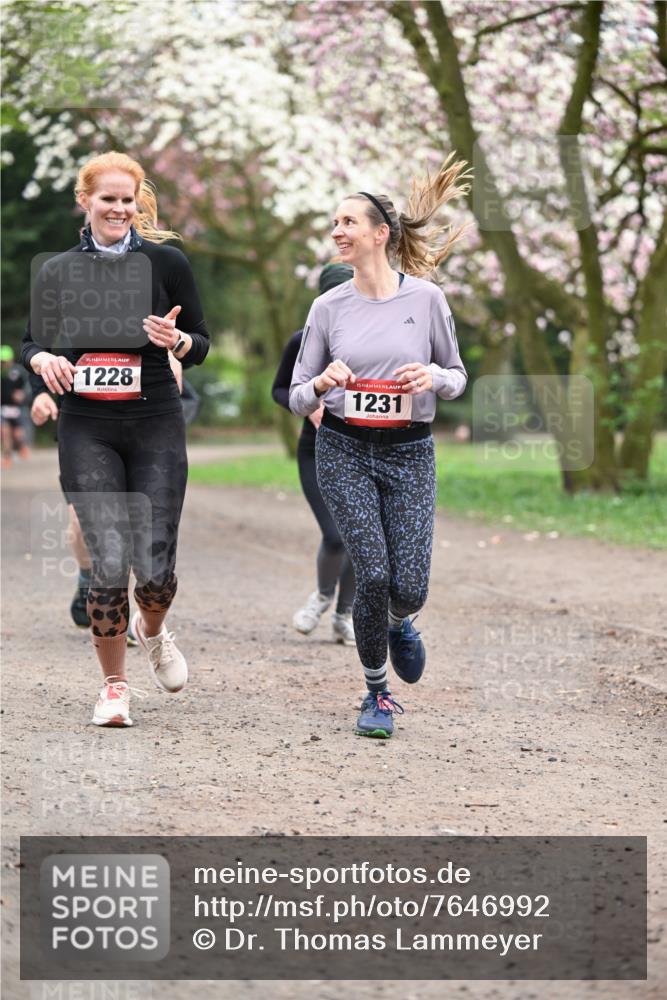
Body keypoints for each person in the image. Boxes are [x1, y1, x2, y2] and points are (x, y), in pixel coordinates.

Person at [21, 150, 209, 727]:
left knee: (155, 572)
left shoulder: (166, 262)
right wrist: (45, 360)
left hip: (155, 421)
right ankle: (113, 687)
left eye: (128, 199)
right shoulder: (58, 270)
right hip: (87, 425)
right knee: (107, 562)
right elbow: (31, 342)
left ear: (137, 203)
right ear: (85, 200)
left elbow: (201, 343)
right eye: (108, 198)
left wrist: (177, 341)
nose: (119, 208)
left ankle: (153, 631)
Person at [289, 157, 470, 738]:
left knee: (408, 586)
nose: (337, 231)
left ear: (380, 233)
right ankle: (376, 693)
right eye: (334, 223)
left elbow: (457, 376)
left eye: (348, 222)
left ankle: (398, 621)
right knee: (371, 572)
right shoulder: (327, 308)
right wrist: (322, 384)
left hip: (410, 452)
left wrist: (432, 378)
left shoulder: (427, 300)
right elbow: (295, 394)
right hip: (343, 449)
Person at [272, 262, 356, 646]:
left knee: (359, 537)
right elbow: (280, 390)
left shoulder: (375, 342)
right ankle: (322, 597)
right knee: (335, 535)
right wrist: (310, 404)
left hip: (361, 451)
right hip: (315, 451)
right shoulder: (301, 341)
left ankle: (344, 615)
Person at [1, 345, 31, 467]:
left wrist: (23, 394)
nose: (3, 364)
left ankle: (22, 446)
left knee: (17, 434)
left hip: (17, 408)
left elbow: (28, 385)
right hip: (3, 407)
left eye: (4, 361)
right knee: (4, 432)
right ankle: (7, 457)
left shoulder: (19, 371)